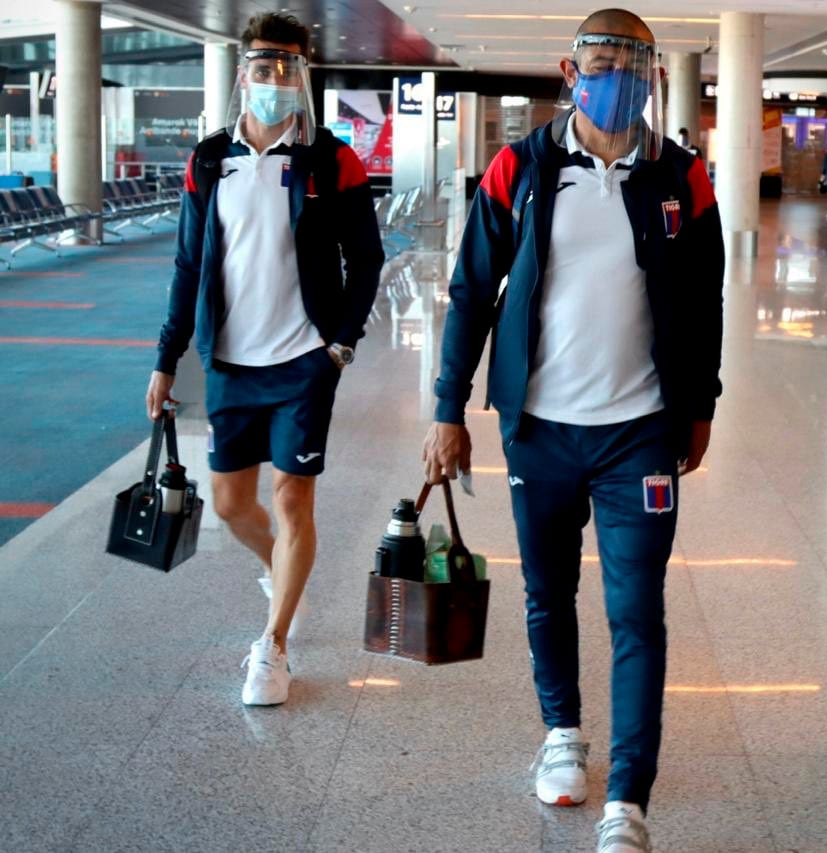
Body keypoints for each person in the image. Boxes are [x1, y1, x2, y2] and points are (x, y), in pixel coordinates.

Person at [422, 8, 724, 852]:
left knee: (637, 609)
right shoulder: (519, 166)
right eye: (603, 60)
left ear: (655, 75)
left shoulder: (682, 177)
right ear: (569, 67)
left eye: (636, 63)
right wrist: (449, 407)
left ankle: (629, 794)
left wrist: (700, 405)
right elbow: (472, 290)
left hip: (639, 432)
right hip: (540, 429)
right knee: (547, 593)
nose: (619, 76)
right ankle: (563, 734)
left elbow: (706, 302)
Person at [145, 12, 383, 706]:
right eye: (262, 66)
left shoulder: (330, 161)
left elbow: (365, 258)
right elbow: (189, 264)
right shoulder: (208, 160)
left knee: (291, 497)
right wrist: (168, 358)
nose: (274, 80)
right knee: (229, 503)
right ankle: (283, 573)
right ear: (243, 73)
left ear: (301, 76)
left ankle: (273, 646)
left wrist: (340, 343)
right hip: (230, 364)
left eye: (287, 67)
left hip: (304, 362)